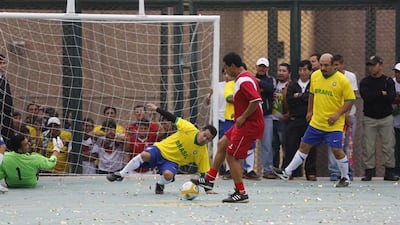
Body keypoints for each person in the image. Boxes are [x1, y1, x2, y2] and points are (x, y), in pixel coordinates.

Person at [271, 53, 355, 188]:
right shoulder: (315, 76)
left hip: (333, 124)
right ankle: (287, 172)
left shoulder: (342, 80)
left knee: (337, 150)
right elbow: (312, 94)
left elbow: (350, 100)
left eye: (326, 65)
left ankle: (345, 177)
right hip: (317, 122)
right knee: (304, 146)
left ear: (334, 65)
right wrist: (310, 111)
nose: (322, 68)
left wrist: (337, 114)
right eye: (321, 65)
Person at [191, 52, 264, 203]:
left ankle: (241, 193)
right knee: (222, 144)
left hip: (249, 124)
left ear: (232, 66)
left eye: (225, 67)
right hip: (242, 121)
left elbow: (256, 100)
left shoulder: (244, 80)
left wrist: (243, 116)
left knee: (232, 155)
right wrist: (239, 114)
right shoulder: (243, 78)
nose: (224, 70)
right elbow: (248, 100)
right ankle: (209, 179)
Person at [107, 103, 217, 195]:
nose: (204, 138)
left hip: (172, 161)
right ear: (201, 130)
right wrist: (157, 109)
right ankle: (120, 174)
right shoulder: (189, 128)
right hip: (160, 149)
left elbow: (204, 174)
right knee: (145, 155)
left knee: (168, 175)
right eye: (204, 135)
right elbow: (172, 118)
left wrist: (208, 190)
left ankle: (160, 184)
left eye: (208, 139)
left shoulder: (202, 153)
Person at [359, 56, 399, 181]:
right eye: (370, 65)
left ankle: (389, 171)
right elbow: (366, 96)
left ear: (380, 65)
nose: (371, 67)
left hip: (386, 118)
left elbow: (391, 97)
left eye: (374, 65)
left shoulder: (388, 81)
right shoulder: (365, 82)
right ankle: (369, 171)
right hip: (369, 118)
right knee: (368, 146)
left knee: (388, 145)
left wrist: (378, 94)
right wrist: (381, 93)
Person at [283, 60, 316, 180]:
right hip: (295, 119)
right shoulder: (293, 85)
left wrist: (300, 96)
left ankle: (311, 172)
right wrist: (304, 98)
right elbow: (290, 100)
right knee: (291, 145)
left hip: (309, 120)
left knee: (310, 147)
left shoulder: (314, 84)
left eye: (305, 70)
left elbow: (314, 99)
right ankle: (290, 172)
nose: (302, 72)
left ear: (310, 71)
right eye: (300, 70)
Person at [328, 54, 358, 181]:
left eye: (337, 65)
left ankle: (348, 171)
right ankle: (334, 171)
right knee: (334, 144)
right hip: (335, 117)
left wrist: (347, 115)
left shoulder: (350, 77)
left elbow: (352, 97)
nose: (335, 67)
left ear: (342, 64)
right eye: (333, 65)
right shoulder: (329, 78)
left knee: (348, 145)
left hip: (349, 116)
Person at [254, 57, 276, 179]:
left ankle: (267, 170)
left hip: (266, 116)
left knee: (267, 144)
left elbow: (270, 89)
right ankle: (248, 169)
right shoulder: (250, 80)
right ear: (256, 67)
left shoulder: (270, 80)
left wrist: (258, 82)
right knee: (249, 144)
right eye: (260, 66)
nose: (262, 69)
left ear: (267, 68)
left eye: (264, 67)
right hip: (252, 116)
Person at [271, 63, 291, 169]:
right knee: (273, 146)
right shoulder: (273, 84)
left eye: (284, 71)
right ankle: (274, 168)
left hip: (283, 120)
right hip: (272, 119)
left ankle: (285, 168)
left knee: (285, 146)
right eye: (279, 70)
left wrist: (288, 114)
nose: (281, 73)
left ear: (289, 73)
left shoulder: (291, 86)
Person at [0, 54, 13, 144]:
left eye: (5, 63)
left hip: (6, 119)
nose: (4, 65)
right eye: (1, 63)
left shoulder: (4, 80)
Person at [392, 62, 400, 176]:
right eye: (397, 72)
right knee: (395, 147)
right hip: (394, 121)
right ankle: (396, 171)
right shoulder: (391, 83)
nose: (398, 74)